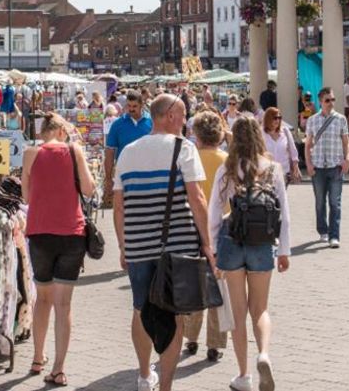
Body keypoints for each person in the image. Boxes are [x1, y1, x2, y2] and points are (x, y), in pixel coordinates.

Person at [113, 93, 216, 391]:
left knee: (141, 308)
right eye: (183, 115)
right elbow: (197, 199)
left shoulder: (128, 153)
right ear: (170, 114)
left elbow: (119, 205)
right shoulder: (184, 148)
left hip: (138, 245)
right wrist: (207, 244)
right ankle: (167, 385)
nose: (186, 121)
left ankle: (145, 375)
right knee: (173, 313)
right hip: (178, 247)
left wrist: (123, 246)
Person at [209, 117, 291, 391]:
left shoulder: (227, 168)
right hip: (261, 243)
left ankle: (243, 375)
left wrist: (213, 249)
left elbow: (214, 214)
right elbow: (284, 215)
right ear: (258, 136)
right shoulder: (272, 168)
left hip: (232, 242)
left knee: (238, 313)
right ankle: (264, 354)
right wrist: (284, 251)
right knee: (260, 310)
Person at [22, 113, 97, 387]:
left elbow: (25, 197)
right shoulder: (74, 150)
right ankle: (58, 369)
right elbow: (89, 189)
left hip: (40, 232)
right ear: (63, 132)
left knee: (42, 299)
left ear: (43, 133)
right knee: (63, 305)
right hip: (71, 233)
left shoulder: (31, 153)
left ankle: (37, 357)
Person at [182, 110, 229, 362]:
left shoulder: (189, 158)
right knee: (218, 287)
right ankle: (215, 343)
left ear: (196, 134)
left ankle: (190, 337)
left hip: (191, 228)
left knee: (192, 286)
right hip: (221, 230)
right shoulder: (226, 159)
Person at [304, 87, 349, 248]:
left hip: (335, 166)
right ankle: (323, 230)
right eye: (327, 100)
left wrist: (347, 159)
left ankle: (334, 235)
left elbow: (346, 142)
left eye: (333, 100)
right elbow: (308, 144)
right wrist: (308, 164)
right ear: (321, 102)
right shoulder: (312, 120)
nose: (331, 103)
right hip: (318, 167)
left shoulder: (341, 119)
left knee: (335, 202)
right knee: (319, 202)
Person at [104, 90, 153, 202]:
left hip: (148, 174)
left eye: (135, 106)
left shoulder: (152, 122)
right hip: (124, 174)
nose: (131, 109)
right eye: (129, 105)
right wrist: (108, 178)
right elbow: (110, 152)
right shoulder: (117, 124)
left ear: (142, 104)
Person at [261, 107, 302, 185]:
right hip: (267, 172)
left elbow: (293, 151)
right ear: (268, 118)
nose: (277, 120)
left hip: (284, 172)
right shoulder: (262, 133)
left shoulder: (285, 131)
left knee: (281, 196)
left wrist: (296, 167)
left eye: (279, 118)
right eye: (275, 118)